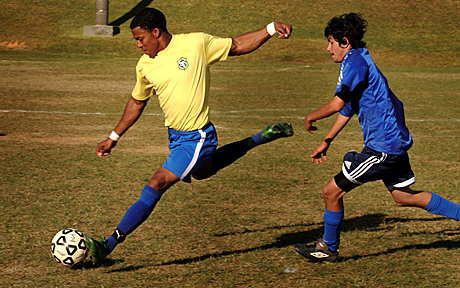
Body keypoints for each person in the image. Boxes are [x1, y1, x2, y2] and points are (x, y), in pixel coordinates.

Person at [86, 7, 294, 265]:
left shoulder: (195, 43)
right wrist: (113, 137)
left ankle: (107, 245)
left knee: (156, 184)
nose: (139, 45)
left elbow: (238, 45)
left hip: (197, 137)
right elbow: (137, 102)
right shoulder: (145, 66)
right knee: (203, 172)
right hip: (176, 138)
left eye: (141, 39)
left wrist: (270, 29)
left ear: (156, 32)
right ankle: (262, 137)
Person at [294, 12, 460, 262]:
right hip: (392, 144)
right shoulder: (361, 60)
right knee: (403, 197)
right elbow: (349, 108)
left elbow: (338, 104)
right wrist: (327, 140)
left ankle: (328, 248)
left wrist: (311, 117)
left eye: (330, 41)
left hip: (382, 148)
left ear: (345, 41)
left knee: (331, 192)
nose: (328, 49)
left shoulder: (354, 61)